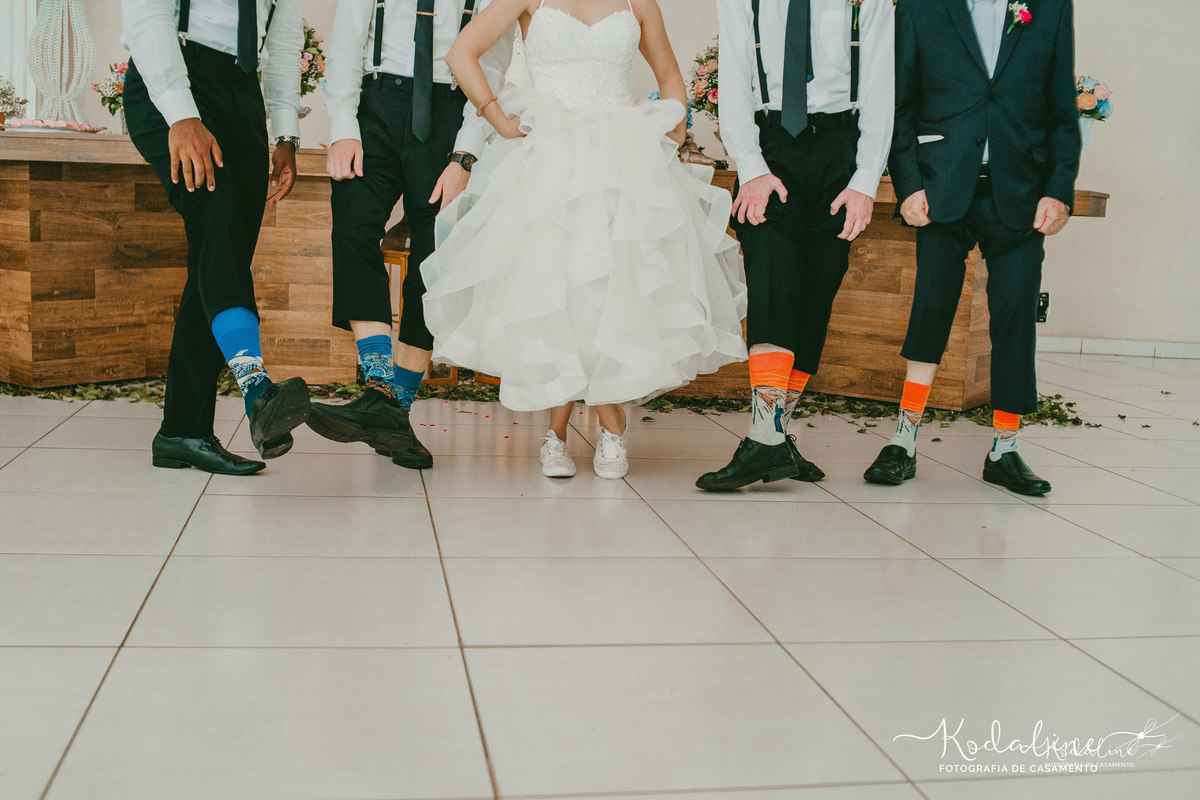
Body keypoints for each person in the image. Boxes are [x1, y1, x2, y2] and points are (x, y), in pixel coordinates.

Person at [421, 0, 748, 480]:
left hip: (621, 158)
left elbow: (670, 75)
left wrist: (672, 132)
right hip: (550, 157)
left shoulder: (639, 2)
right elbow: (461, 53)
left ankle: (607, 424)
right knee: (556, 285)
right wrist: (498, 119)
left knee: (613, 287)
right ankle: (558, 432)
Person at [863, 0, 1081, 496]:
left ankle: (1005, 449)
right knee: (930, 305)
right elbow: (900, 102)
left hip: (1021, 191)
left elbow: (1062, 112)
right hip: (942, 184)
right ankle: (903, 439)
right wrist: (908, 182)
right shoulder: (919, 7)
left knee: (1014, 312)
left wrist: (1058, 190)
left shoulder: (1049, 8)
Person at [305, 0, 514, 470]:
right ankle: (381, 389)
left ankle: (391, 408)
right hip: (376, 106)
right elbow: (347, 41)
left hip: (450, 113)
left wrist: (465, 155)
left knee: (434, 257)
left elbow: (493, 65)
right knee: (353, 226)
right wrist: (342, 125)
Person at [697, 0, 895, 491]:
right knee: (772, 277)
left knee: (815, 295)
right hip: (771, 147)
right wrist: (752, 167)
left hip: (839, 152)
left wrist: (865, 180)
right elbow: (737, 82)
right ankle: (765, 436)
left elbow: (879, 89)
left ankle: (776, 437)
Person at [123, 0, 311, 476]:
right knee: (217, 224)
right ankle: (256, 388)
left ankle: (181, 433)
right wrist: (181, 114)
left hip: (242, 95)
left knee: (218, 257)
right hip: (176, 81)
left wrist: (286, 134)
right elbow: (147, 12)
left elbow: (285, 41)